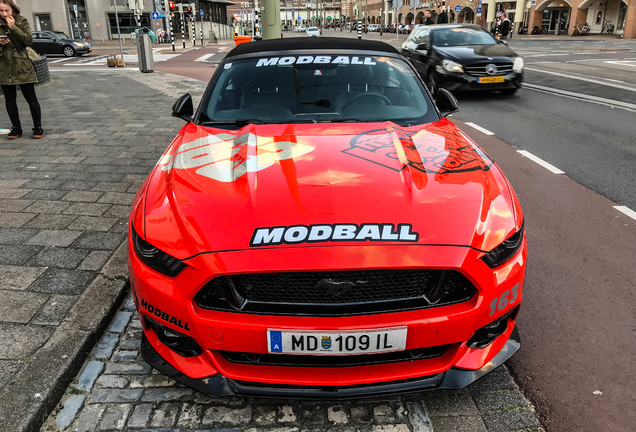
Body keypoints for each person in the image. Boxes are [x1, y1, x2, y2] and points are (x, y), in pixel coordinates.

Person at [0, 0, 42, 139]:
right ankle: (16, 128)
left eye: (7, 10)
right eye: (1, 11)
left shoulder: (21, 21)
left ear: (13, 9)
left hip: (22, 66)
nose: (4, 13)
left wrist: (13, 27)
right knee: (10, 100)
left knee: (31, 98)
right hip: (4, 66)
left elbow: (28, 41)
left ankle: (37, 128)